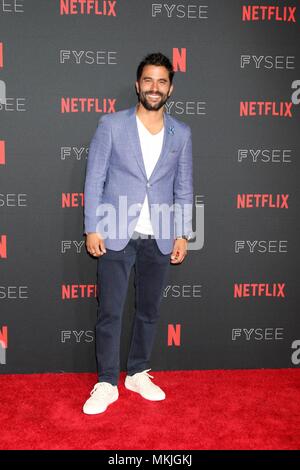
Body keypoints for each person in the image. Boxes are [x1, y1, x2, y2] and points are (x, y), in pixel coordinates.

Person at [82, 52, 193, 414]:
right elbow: (94, 179)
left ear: (170, 88)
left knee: (149, 311)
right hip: (115, 231)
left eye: (162, 81)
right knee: (110, 311)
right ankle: (106, 381)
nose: (154, 87)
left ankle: (139, 372)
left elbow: (184, 188)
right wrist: (91, 227)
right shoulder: (111, 125)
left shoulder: (183, 133)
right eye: (148, 80)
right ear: (137, 85)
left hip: (159, 235)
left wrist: (183, 234)